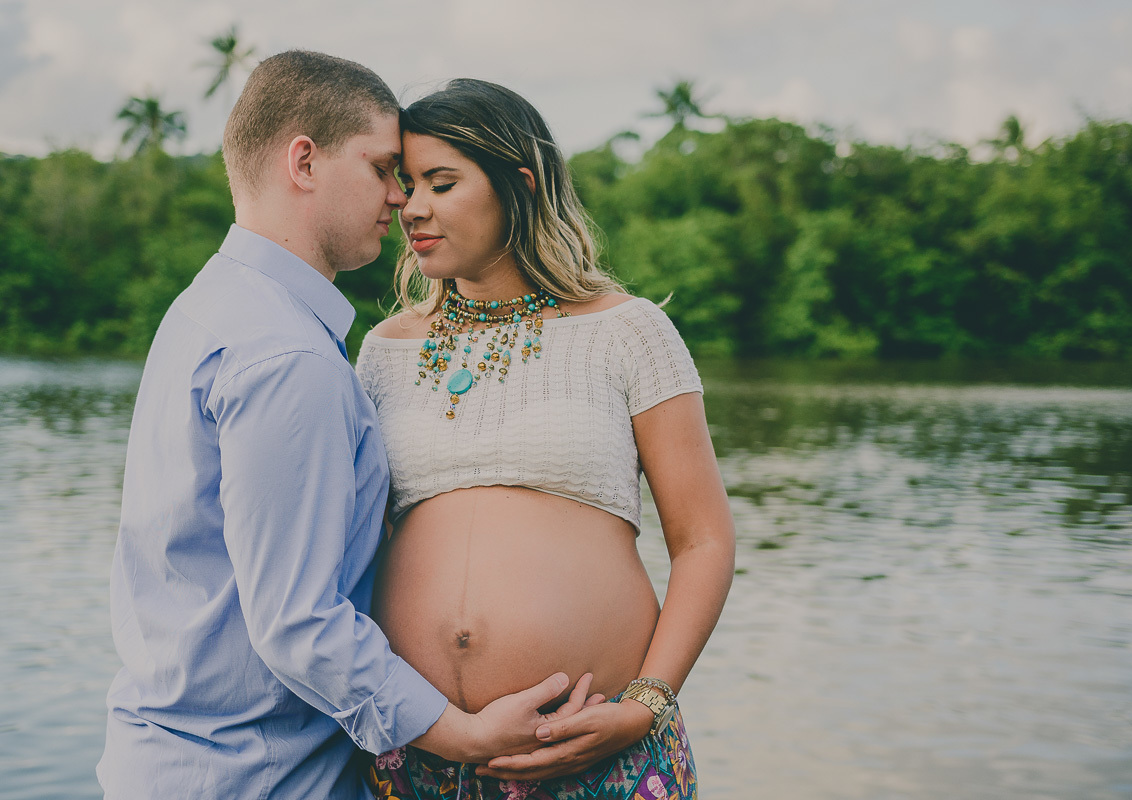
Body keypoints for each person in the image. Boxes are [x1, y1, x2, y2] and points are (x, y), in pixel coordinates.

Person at [97, 52, 597, 800]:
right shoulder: (286, 355)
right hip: (254, 777)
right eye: (382, 168)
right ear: (304, 161)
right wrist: (461, 733)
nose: (399, 198)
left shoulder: (210, 309)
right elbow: (298, 622)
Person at [355, 78, 736, 800]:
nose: (413, 207)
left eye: (442, 182)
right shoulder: (383, 351)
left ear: (518, 186)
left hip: (598, 752)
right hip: (420, 756)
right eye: (406, 184)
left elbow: (704, 542)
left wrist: (643, 705)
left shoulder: (628, 331)